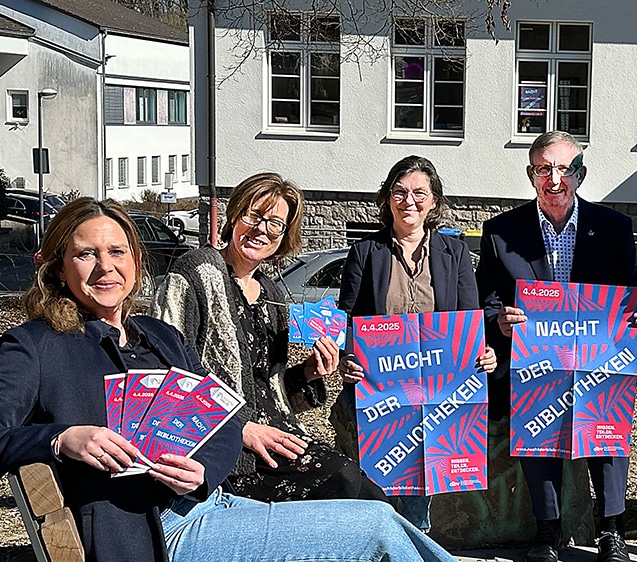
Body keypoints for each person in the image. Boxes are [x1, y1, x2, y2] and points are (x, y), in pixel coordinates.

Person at [0, 197, 456, 561]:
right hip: (151, 529)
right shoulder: (36, 345)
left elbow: (225, 418)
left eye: (117, 252)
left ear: (135, 261)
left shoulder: (160, 337)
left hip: (208, 501)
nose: (105, 267)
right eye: (86, 254)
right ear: (60, 267)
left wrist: (201, 475)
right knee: (374, 529)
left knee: (374, 513)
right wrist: (62, 439)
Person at [475, 131, 637, 562]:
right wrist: (498, 319)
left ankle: (611, 531)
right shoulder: (502, 232)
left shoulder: (614, 228)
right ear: (531, 174)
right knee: (536, 417)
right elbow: (486, 300)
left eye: (563, 169)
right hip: (534, 359)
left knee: (606, 417)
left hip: (597, 354)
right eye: (544, 169)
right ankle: (547, 532)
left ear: (580, 174)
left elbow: (628, 295)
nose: (553, 179)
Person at [150, 172, 387, 503]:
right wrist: (239, 429)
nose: (262, 229)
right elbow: (165, 378)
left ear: (284, 234)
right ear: (234, 216)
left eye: (275, 223)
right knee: (351, 487)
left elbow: (271, 390)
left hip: (279, 439)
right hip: (228, 456)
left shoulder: (272, 293)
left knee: (367, 491)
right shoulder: (195, 273)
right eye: (253, 215)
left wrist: (310, 372)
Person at [336, 155, 497, 532]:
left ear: (434, 202)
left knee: (420, 477)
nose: (409, 201)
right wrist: (346, 356)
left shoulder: (454, 253)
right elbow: (346, 316)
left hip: (437, 390)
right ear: (387, 199)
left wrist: (483, 353)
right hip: (379, 389)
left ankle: (413, 545)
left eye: (419, 193)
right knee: (376, 482)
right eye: (400, 192)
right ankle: (377, 545)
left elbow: (468, 317)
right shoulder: (365, 252)